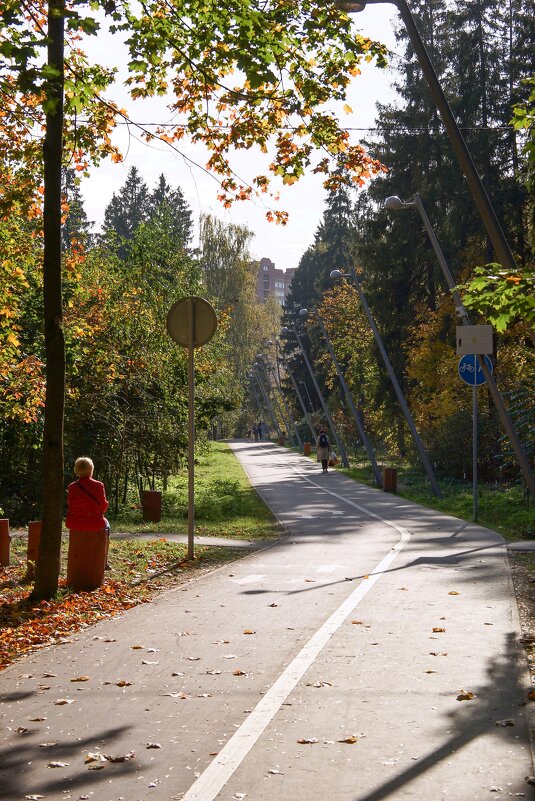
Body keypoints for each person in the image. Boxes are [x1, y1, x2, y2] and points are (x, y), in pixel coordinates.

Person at [66, 456, 111, 570]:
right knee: (107, 526)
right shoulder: (98, 485)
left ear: (76, 470)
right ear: (91, 469)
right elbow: (104, 507)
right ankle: (104, 562)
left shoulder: (71, 487)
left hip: (75, 523)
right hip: (95, 523)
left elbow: (71, 506)